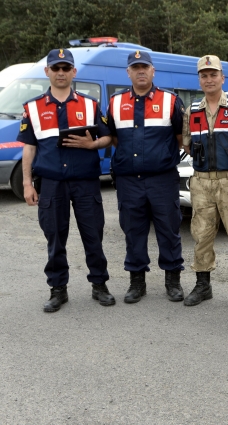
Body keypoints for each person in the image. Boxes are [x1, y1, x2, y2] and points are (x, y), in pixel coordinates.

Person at [18, 48, 114, 312]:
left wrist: (91, 144)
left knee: (93, 235)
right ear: (47, 71)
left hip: (85, 182)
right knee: (55, 237)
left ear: (74, 72)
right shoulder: (33, 108)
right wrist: (27, 184)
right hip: (51, 183)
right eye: (56, 68)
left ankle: (99, 285)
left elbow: (108, 137)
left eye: (65, 68)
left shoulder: (90, 104)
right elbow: (29, 148)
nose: (61, 73)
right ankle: (58, 289)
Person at [107, 50, 186, 304]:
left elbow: (181, 138)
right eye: (135, 67)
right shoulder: (115, 103)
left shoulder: (171, 101)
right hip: (129, 181)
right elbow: (115, 138)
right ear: (128, 72)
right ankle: (136, 282)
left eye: (145, 67)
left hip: (162, 179)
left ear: (153, 71)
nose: (140, 71)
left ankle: (172, 281)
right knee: (133, 231)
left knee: (169, 230)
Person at [181, 55, 228, 307]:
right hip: (202, 182)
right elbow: (187, 144)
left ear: (222, 78)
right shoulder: (191, 111)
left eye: (214, 74)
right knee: (201, 235)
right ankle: (203, 286)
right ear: (199, 80)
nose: (209, 79)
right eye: (204, 75)